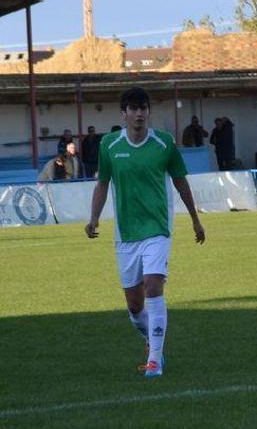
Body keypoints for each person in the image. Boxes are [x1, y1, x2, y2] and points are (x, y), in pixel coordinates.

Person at [85, 87, 205, 378]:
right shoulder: (109, 145)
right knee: (134, 305)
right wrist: (94, 219)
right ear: (123, 113)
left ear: (148, 112)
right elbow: (102, 184)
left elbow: (181, 182)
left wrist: (195, 220)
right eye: (134, 108)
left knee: (153, 284)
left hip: (157, 230)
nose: (139, 114)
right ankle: (150, 340)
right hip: (126, 234)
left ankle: (155, 359)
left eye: (144, 108)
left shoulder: (163, 144)